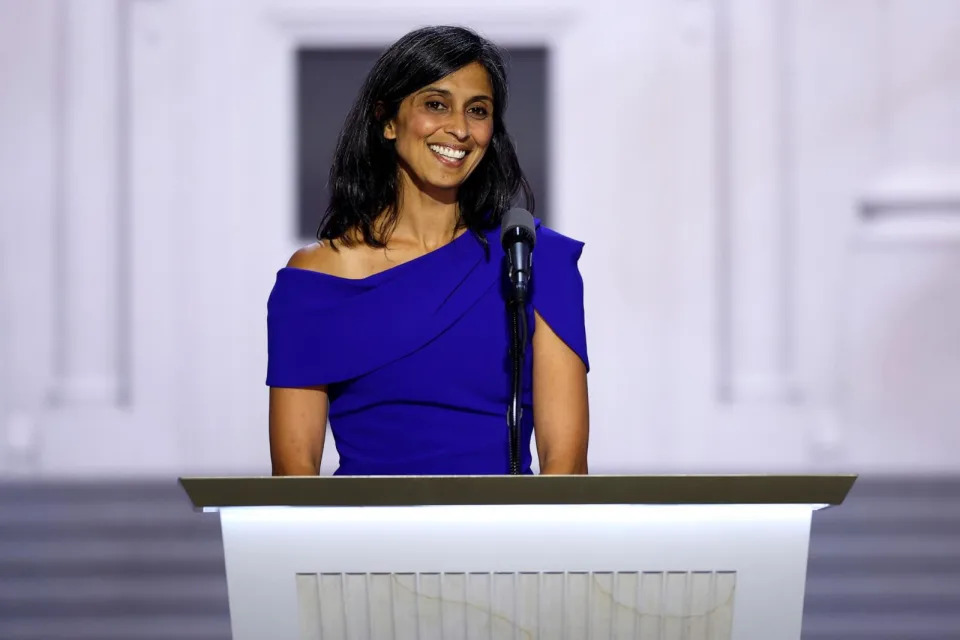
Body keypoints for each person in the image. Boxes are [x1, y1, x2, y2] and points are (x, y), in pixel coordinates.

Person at [266, 25, 589, 476]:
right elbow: (293, 477)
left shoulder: (534, 259)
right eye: (436, 105)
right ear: (387, 119)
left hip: (505, 541)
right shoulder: (316, 279)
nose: (458, 128)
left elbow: (566, 465)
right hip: (362, 541)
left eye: (477, 110)